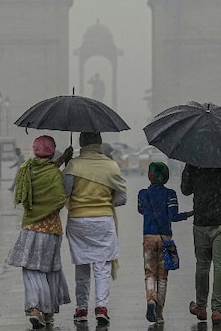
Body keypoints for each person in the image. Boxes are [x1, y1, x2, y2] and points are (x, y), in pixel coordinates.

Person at [6, 135, 73, 329]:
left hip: (30, 228)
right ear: (52, 152)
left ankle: (35, 307)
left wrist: (60, 162)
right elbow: (61, 198)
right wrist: (65, 164)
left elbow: (42, 171)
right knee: (49, 270)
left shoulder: (26, 169)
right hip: (51, 230)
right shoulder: (55, 174)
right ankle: (47, 310)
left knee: (31, 269)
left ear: (34, 151)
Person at [63, 131, 127, 326]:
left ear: (81, 143)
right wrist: (104, 201)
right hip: (103, 222)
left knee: (82, 267)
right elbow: (122, 198)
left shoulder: (73, 165)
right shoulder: (111, 166)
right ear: (99, 143)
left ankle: (81, 310)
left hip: (78, 221)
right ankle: (101, 307)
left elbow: (64, 192)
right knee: (102, 267)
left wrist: (67, 166)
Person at [182, 157, 221, 326]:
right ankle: (216, 310)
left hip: (202, 220)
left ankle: (201, 307)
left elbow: (185, 189)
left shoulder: (194, 157)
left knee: (202, 265)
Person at [137, 161, 193, 324]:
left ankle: (150, 301)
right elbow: (173, 216)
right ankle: (159, 313)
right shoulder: (171, 194)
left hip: (148, 237)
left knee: (149, 273)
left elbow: (141, 210)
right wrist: (189, 214)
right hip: (165, 239)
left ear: (150, 176)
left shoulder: (142, 194)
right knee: (162, 277)